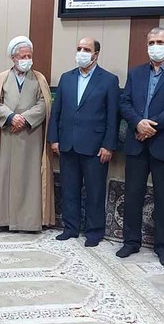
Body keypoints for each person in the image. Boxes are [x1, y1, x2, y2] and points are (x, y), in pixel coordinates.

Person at [117, 27, 164, 266]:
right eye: (151, 42)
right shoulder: (136, 73)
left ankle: (163, 247)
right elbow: (125, 102)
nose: (155, 47)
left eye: (160, 42)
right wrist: (138, 123)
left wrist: (151, 126)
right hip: (136, 144)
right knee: (132, 195)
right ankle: (131, 242)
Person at [47, 37, 120, 247]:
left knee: (95, 191)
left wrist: (108, 145)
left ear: (95, 55)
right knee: (69, 188)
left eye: (86, 49)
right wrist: (54, 139)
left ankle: (94, 232)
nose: (81, 52)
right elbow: (57, 111)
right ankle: (70, 228)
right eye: (79, 48)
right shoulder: (67, 78)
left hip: (95, 146)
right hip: (67, 143)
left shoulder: (109, 80)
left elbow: (113, 116)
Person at [0, 36, 54, 232]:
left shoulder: (39, 78)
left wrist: (25, 119)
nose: (27, 60)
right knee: (5, 176)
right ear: (13, 58)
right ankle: (3, 219)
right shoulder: (2, 78)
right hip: (7, 135)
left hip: (31, 136)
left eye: (29, 56)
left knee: (30, 179)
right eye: (23, 56)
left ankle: (28, 222)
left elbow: (44, 104)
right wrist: (11, 117)